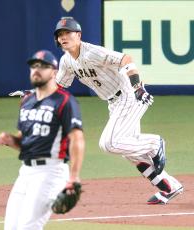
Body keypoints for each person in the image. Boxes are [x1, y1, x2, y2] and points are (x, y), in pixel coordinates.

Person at [53, 16, 183, 205]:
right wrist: (33, 94)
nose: (63, 37)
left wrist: (137, 86)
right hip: (114, 103)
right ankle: (169, 186)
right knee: (130, 151)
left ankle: (155, 143)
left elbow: (125, 59)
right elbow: (58, 86)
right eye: (60, 34)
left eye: (67, 32)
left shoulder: (91, 53)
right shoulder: (67, 61)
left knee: (109, 143)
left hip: (129, 95)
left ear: (78, 35)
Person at [0, 49, 85, 230]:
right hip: (25, 173)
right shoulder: (27, 102)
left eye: (43, 66)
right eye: (34, 66)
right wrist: (10, 140)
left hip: (50, 173)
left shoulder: (65, 101)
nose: (37, 70)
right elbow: (24, 142)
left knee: (28, 227)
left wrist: (74, 177)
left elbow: (77, 139)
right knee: (11, 227)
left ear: (54, 72)